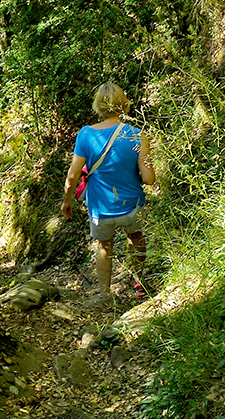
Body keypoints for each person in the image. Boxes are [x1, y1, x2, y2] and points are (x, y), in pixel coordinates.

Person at [61, 83, 155, 298]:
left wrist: (67, 200)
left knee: (104, 246)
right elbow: (149, 179)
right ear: (123, 104)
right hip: (131, 204)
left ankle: (104, 293)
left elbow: (73, 175)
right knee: (136, 236)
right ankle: (138, 283)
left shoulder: (85, 134)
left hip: (101, 209)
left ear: (98, 106)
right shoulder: (137, 135)